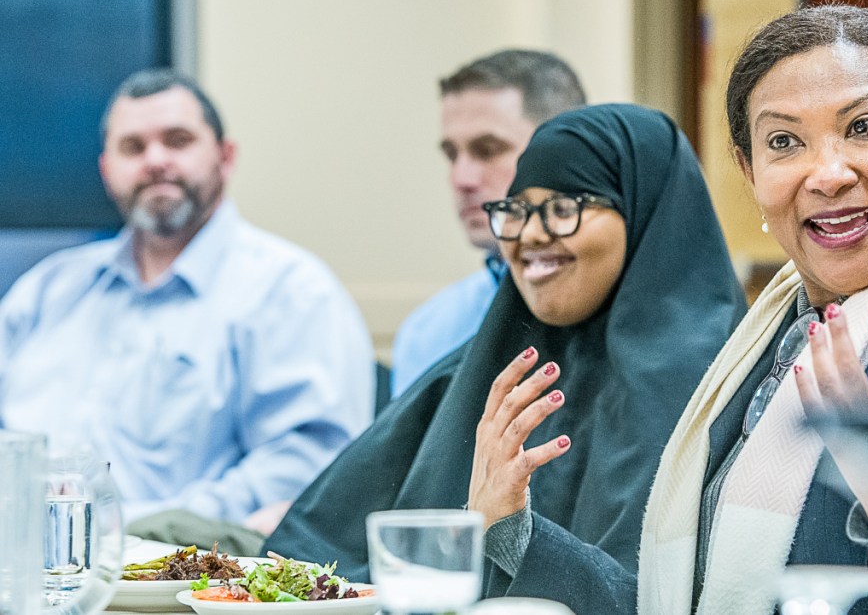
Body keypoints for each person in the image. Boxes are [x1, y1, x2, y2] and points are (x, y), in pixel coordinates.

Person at [264, 104, 748, 614]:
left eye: (566, 206)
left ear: (644, 211)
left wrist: (512, 533)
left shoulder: (714, 381)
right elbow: (313, 554)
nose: (532, 234)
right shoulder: (485, 369)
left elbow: (668, 599)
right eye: (516, 210)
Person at [637, 5, 868, 614]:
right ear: (749, 170)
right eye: (784, 142)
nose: (829, 173)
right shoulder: (762, 346)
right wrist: (514, 529)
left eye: (863, 126)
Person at [0, 69, 376, 528]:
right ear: (107, 169)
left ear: (226, 156)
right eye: (133, 147)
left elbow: (306, 471)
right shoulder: (48, 290)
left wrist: (121, 525)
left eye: (177, 140)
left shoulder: (292, 293)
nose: (155, 160)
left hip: (187, 581)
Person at [389, 49, 586, 397]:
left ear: (565, 151)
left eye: (488, 149)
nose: (461, 178)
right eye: (452, 154)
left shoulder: (619, 317)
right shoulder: (427, 331)